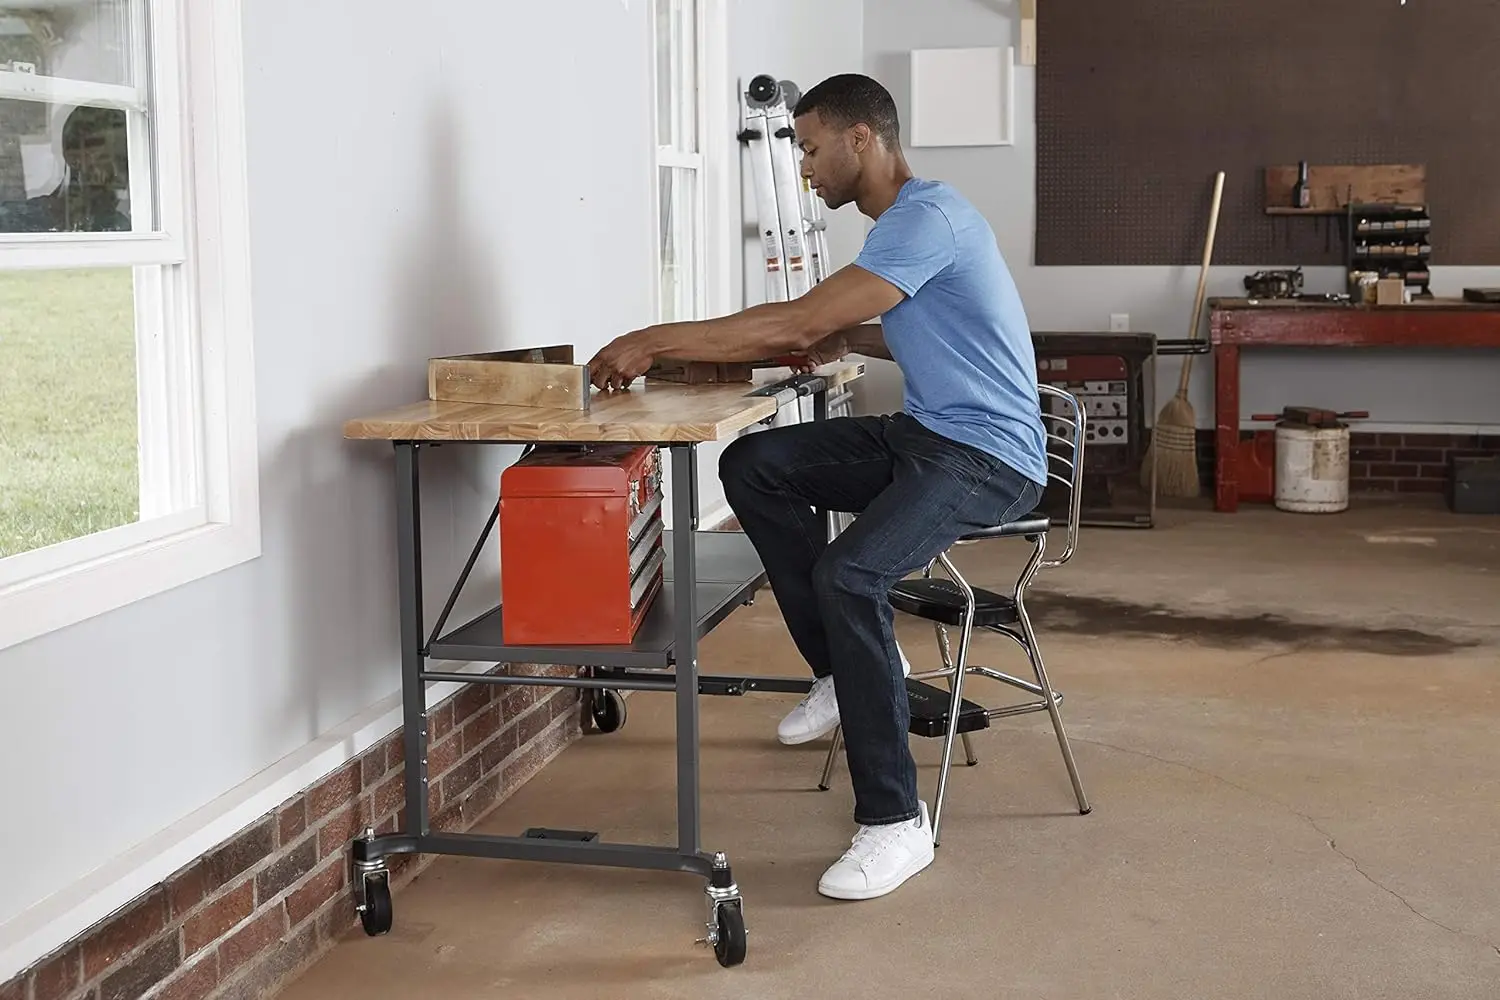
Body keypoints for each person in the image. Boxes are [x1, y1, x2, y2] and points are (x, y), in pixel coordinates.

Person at [587, 73, 1048, 901]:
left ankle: (895, 824)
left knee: (852, 575)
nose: (803, 168)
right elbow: (896, 326)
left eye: (808, 147)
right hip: (930, 435)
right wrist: (825, 338)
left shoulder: (923, 218)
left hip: (987, 456)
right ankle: (842, 674)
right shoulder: (911, 225)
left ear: (860, 139)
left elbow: (804, 318)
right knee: (754, 466)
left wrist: (651, 340)